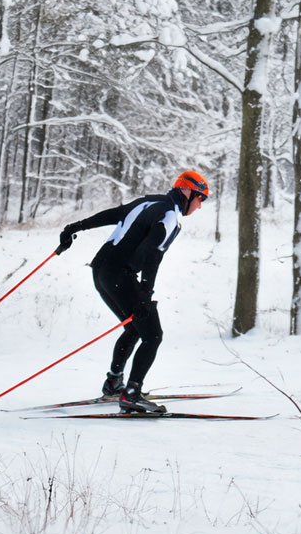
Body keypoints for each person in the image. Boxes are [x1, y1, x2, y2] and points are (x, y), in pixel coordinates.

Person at [55, 170, 210, 413]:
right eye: (201, 198)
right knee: (153, 334)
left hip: (100, 270)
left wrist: (75, 227)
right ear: (188, 191)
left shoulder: (148, 201)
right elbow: (152, 255)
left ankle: (114, 382)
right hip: (119, 275)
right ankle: (131, 394)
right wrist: (145, 296)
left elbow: (113, 214)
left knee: (134, 327)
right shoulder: (170, 215)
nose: (200, 206)